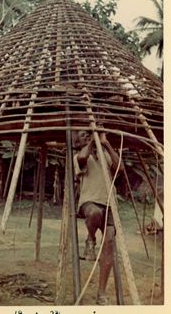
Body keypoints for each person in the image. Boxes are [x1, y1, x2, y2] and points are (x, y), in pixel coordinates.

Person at [73, 130, 123, 305]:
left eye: (88, 134)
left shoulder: (104, 156)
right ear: (78, 143)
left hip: (109, 203)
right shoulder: (79, 156)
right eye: (83, 137)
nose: (87, 136)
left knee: (109, 243)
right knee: (95, 213)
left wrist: (106, 144)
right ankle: (91, 239)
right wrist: (93, 141)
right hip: (89, 201)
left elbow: (120, 167)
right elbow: (83, 157)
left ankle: (101, 293)